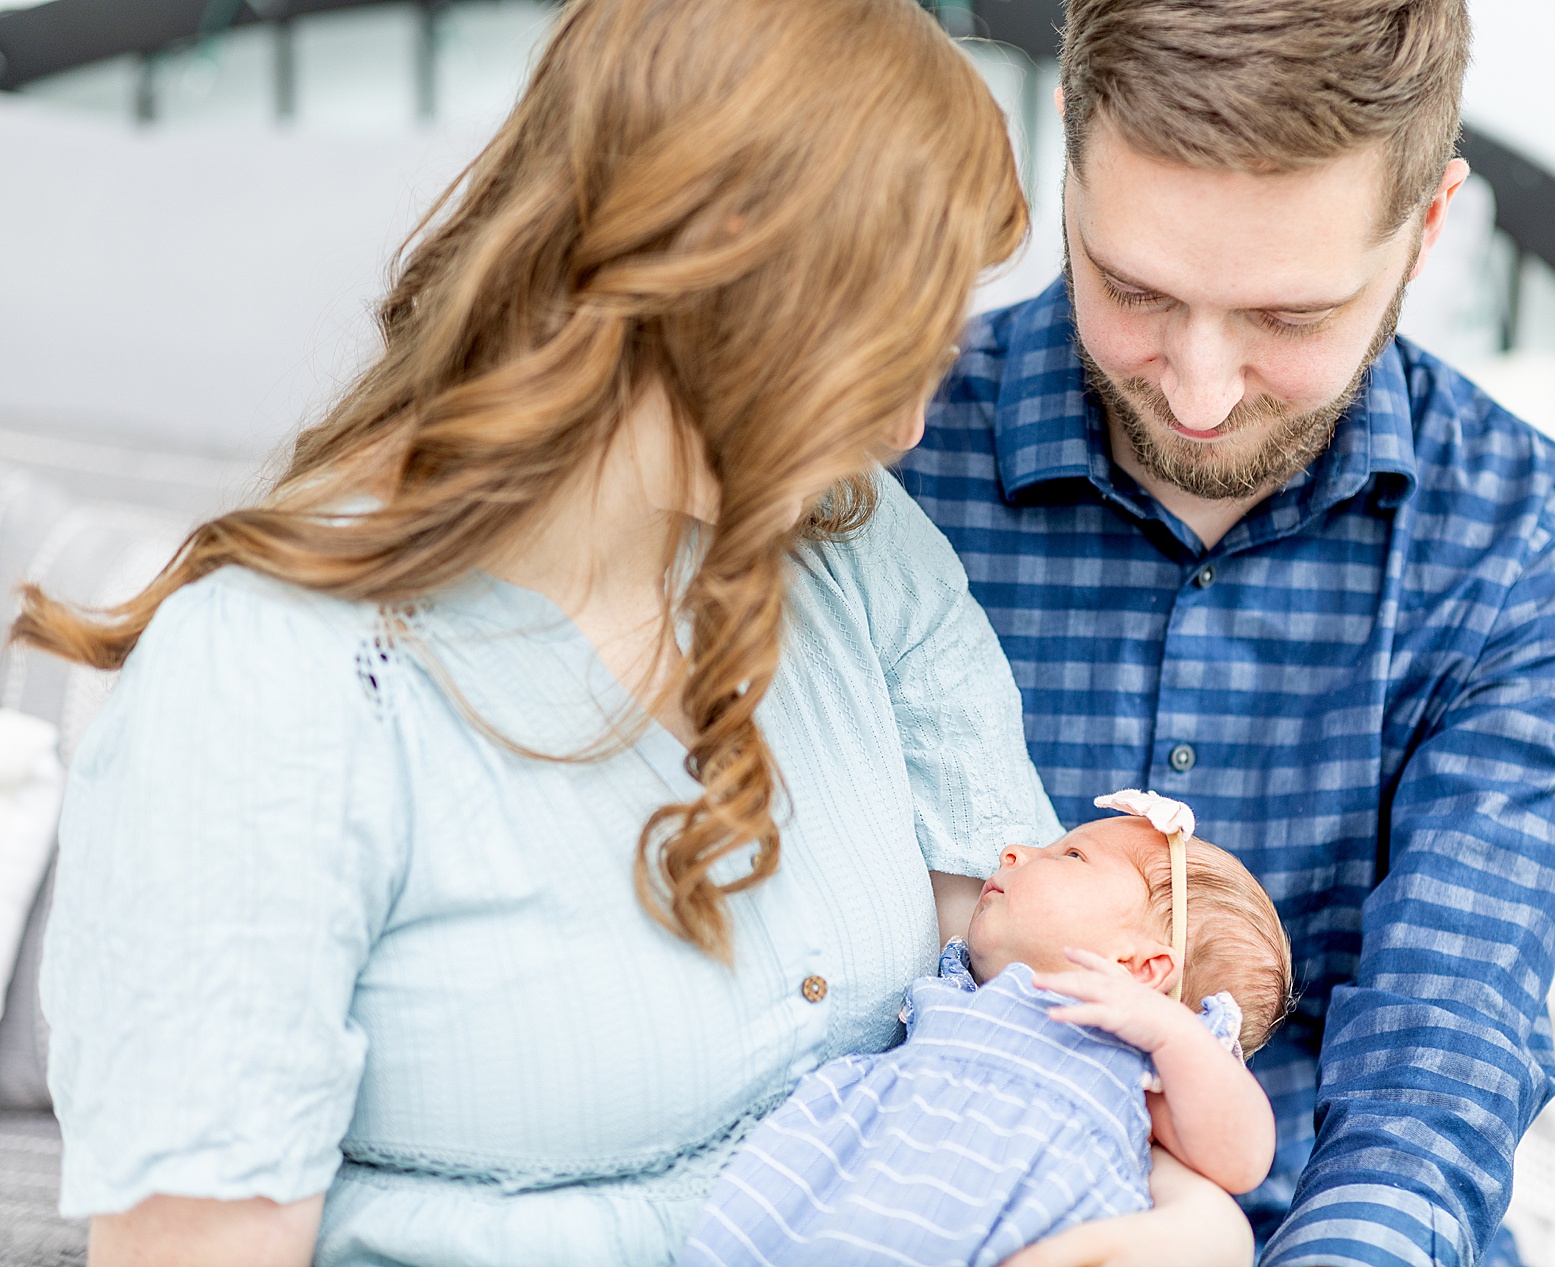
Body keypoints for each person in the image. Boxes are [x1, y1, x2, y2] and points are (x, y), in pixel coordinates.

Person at [17, 1, 1254, 1264]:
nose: (905, 434)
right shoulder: (272, 686)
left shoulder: (851, 540)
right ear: (720, 294)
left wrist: (1189, 1227)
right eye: (886, 355)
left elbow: (1043, 1008)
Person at [898, 2, 1555, 1265]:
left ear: (1427, 227)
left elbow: (1437, 1056)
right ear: (1066, 156)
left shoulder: (1526, 546)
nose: (1195, 391)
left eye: (1287, 320)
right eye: (1133, 287)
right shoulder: (883, 458)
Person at [679, 791, 1293, 1267]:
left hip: (1008, 1227)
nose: (1015, 851)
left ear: (1141, 967)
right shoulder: (966, 984)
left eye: (1071, 856)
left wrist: (1170, 1033)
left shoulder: (1139, 1047)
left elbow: (1240, 1160)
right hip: (856, 1194)